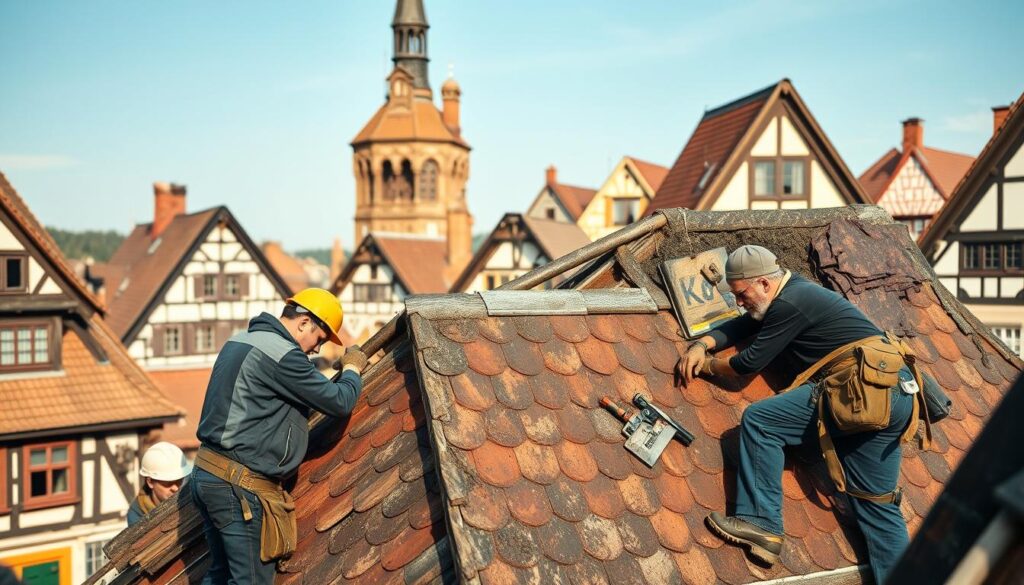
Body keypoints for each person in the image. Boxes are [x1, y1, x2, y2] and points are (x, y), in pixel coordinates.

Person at [678, 245, 917, 585]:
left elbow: (748, 362)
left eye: (742, 294)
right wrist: (704, 343)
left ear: (763, 284)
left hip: (861, 389)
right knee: (876, 504)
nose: (739, 301)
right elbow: (744, 323)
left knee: (762, 421)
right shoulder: (794, 291)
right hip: (895, 394)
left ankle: (761, 524)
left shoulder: (790, 303)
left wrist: (706, 364)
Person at [191, 288, 367, 585]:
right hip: (238, 486)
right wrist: (352, 368)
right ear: (304, 323)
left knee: (220, 576)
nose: (316, 350)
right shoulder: (283, 355)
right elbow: (340, 401)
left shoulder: (239, 340)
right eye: (320, 339)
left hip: (208, 475)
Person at [127, 442, 191, 525]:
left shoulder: (193, 492)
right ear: (150, 482)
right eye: (168, 483)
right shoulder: (136, 516)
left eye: (179, 481)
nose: (175, 488)